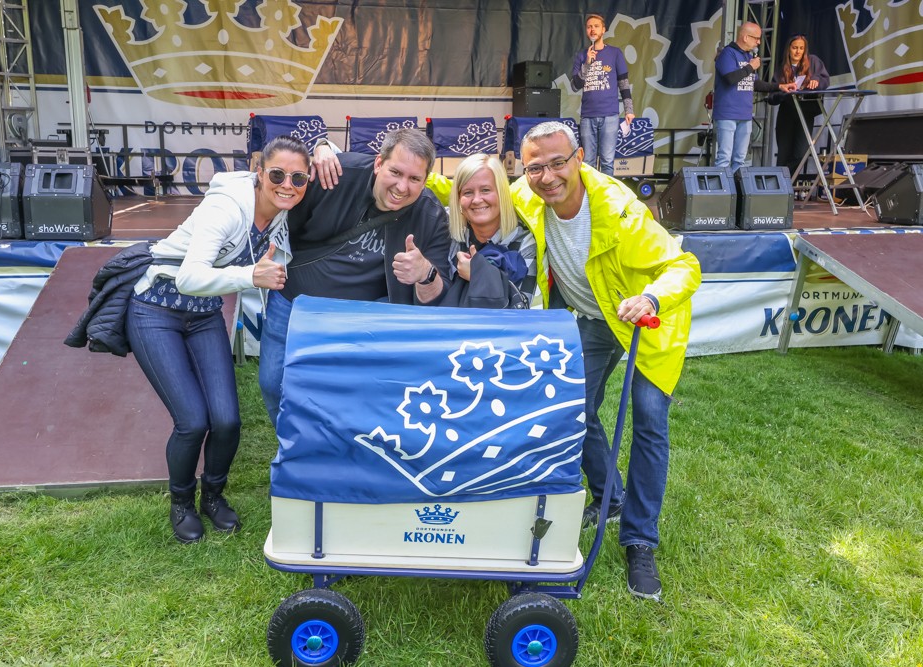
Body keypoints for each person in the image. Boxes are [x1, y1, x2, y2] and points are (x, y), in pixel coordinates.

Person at [511, 121, 701, 601]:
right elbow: (466, 185)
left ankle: (639, 540)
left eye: (558, 163)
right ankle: (610, 497)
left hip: (646, 321)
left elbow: (684, 265)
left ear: (579, 158)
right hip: (595, 317)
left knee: (648, 424)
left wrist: (653, 299)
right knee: (574, 407)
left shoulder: (620, 211)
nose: (548, 175)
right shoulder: (529, 193)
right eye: (535, 167)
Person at [126, 136, 310, 544]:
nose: (287, 184)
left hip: (204, 314)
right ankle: (181, 503)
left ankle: (213, 495)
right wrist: (250, 277)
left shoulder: (279, 215)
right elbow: (190, 277)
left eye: (298, 178)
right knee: (193, 421)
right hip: (156, 309)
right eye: (277, 174)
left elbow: (275, 262)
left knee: (226, 420)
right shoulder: (226, 207)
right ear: (260, 172)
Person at [258, 128, 452, 427]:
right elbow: (281, 199)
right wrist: (319, 149)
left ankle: (333, 452)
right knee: (274, 383)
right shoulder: (337, 174)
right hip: (295, 301)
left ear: (425, 180)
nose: (402, 186)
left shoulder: (430, 215)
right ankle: (294, 449)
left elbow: (438, 293)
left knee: (348, 396)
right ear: (378, 163)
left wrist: (425, 274)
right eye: (396, 172)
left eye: (415, 179)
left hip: (362, 318)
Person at [426, 154, 537, 307]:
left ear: (501, 194)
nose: (477, 200)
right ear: (458, 199)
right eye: (467, 192)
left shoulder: (524, 241)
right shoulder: (445, 232)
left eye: (485, 190)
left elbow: (523, 307)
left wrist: (479, 274)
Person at [713, 22, 797, 173]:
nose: (758, 42)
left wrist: (779, 86)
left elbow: (755, 83)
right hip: (727, 113)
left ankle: (737, 193)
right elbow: (730, 79)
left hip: (745, 114)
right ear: (745, 37)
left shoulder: (748, 56)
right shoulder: (728, 54)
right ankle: (721, 194)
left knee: (741, 158)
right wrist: (750, 67)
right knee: (724, 156)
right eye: (756, 38)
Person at [570, 13, 635, 176]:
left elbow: (624, 84)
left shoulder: (615, 53)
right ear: (586, 31)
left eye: (596, 26)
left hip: (610, 115)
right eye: (589, 27)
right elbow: (574, 86)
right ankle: (589, 198)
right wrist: (587, 64)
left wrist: (629, 109)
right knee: (588, 163)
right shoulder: (581, 55)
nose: (593, 30)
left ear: (603, 30)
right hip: (588, 116)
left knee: (607, 162)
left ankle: (606, 200)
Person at [768, 34, 830, 179]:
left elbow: (825, 80)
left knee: (801, 153)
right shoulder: (781, 68)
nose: (798, 51)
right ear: (788, 49)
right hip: (787, 114)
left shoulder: (813, 61)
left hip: (805, 112)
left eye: (801, 48)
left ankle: (779, 180)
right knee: (783, 154)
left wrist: (816, 80)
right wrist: (785, 92)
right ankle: (781, 188)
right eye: (795, 47)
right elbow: (772, 97)